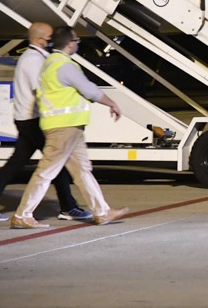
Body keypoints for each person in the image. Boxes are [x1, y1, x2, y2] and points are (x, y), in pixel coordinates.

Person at [10, 26, 130, 229]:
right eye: (76, 40)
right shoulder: (64, 65)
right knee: (46, 172)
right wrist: (112, 103)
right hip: (63, 128)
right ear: (69, 43)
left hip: (69, 128)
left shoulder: (49, 63)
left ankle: (102, 212)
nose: (77, 44)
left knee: (82, 170)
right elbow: (89, 90)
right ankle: (23, 214)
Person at [0, 23, 92, 223]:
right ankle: (68, 207)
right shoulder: (34, 60)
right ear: (39, 39)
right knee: (57, 162)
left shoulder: (36, 57)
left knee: (17, 162)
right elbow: (44, 90)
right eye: (50, 37)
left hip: (27, 118)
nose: (54, 40)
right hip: (32, 119)